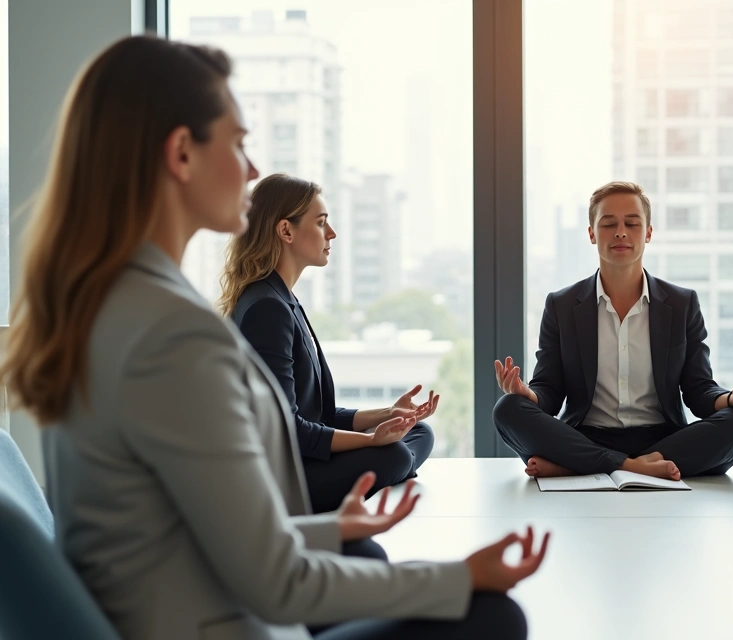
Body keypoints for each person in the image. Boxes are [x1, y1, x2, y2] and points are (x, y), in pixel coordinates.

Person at [0, 35, 548, 640]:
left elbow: (181, 533)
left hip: (190, 605)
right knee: (491, 615)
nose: (253, 169)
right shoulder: (171, 338)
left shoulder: (107, 308)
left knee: (367, 555)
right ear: (182, 154)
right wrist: (457, 577)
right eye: (238, 144)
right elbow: (277, 584)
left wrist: (330, 528)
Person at [493, 181, 733, 481]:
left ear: (648, 233)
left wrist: (730, 399)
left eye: (632, 224)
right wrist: (527, 394)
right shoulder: (561, 305)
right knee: (508, 408)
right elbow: (550, 392)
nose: (621, 232)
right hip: (586, 437)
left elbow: (698, 390)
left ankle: (578, 467)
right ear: (591, 234)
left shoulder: (681, 303)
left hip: (662, 442)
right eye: (608, 224)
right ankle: (630, 467)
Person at [220, 173, 438, 516]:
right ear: (286, 231)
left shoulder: (282, 298)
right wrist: (371, 441)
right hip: (287, 475)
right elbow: (288, 427)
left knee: (418, 431)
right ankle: (398, 465)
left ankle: (398, 461)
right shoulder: (267, 308)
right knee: (395, 454)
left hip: (307, 451)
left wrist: (389, 415)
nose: (332, 233)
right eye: (321, 223)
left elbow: (320, 415)